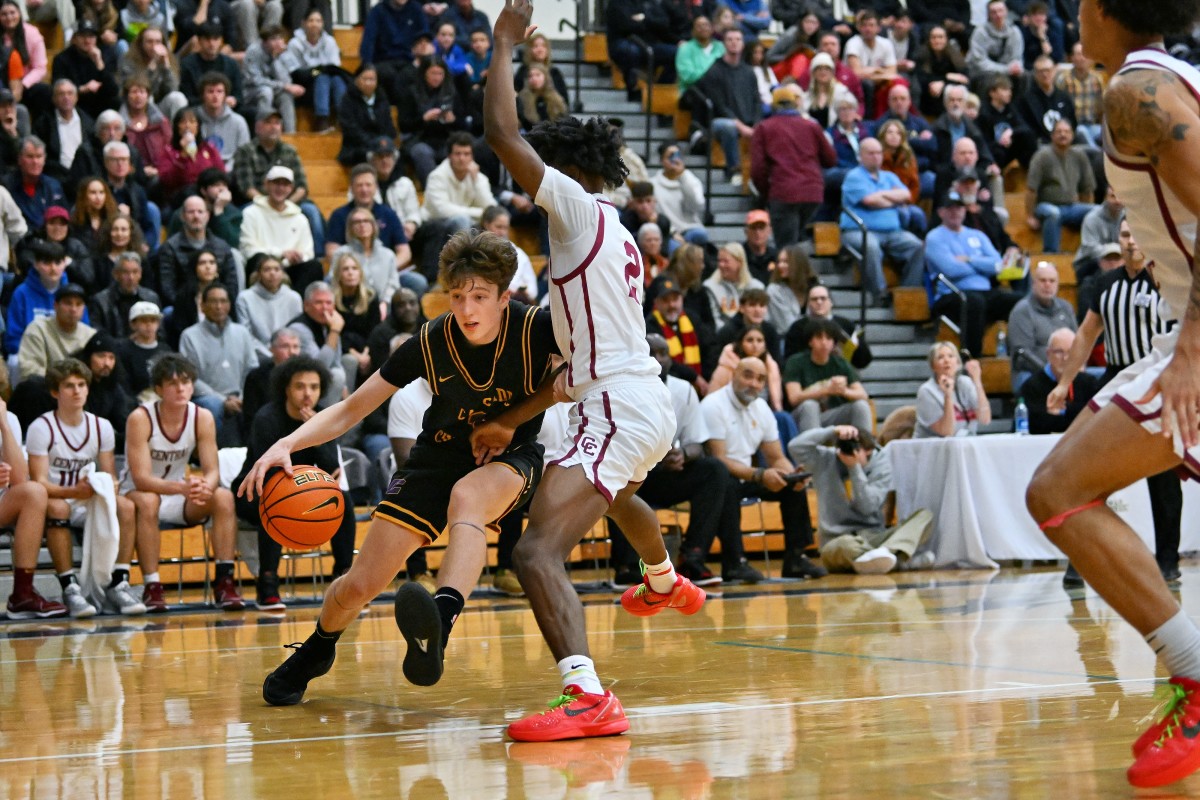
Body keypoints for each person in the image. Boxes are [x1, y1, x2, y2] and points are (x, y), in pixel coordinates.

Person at [469, 0, 706, 742]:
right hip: (626, 393)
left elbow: (499, 132)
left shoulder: (573, 206)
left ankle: (588, 698)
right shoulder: (617, 232)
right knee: (619, 491)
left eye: (542, 168)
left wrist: (504, 42)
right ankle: (667, 581)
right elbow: (577, 364)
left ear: (567, 171)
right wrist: (514, 416)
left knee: (537, 550)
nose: (529, 181)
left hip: (620, 403)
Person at [239, 229, 558, 693]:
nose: (467, 309)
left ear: (505, 296)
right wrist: (287, 442)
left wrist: (510, 421)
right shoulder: (429, 341)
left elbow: (578, 377)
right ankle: (319, 646)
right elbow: (351, 409)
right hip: (437, 456)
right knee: (358, 586)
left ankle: (440, 622)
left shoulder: (538, 328)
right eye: (457, 296)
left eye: (480, 297)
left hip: (511, 457)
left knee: (467, 498)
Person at [1045, 216, 1182, 591]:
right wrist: (1065, 382)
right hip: (1115, 376)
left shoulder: (1167, 280)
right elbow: (1086, 335)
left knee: (1164, 474)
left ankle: (1168, 561)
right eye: (1125, 235)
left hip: (1155, 378)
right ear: (1117, 241)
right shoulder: (1103, 284)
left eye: (1137, 234)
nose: (1131, 241)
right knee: (1088, 468)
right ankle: (1079, 561)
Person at [234, 355, 357, 611]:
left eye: (314, 387)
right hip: (253, 489)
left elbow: (331, 470)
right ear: (286, 389)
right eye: (300, 386)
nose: (307, 394)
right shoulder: (267, 418)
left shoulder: (321, 416)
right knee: (275, 504)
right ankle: (267, 584)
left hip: (297, 490)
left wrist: (315, 428)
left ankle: (344, 579)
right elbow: (268, 472)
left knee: (342, 499)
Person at [121, 354, 242, 611]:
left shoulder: (202, 417)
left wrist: (204, 485)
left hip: (176, 493)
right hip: (135, 492)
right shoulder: (140, 418)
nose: (181, 388)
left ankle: (225, 581)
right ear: (158, 389)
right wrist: (184, 487)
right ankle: (152, 586)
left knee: (222, 496)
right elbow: (142, 479)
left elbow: (212, 470)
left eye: (186, 382)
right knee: (149, 500)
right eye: (173, 383)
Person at [27, 358, 144, 617]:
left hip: (86, 496)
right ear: (55, 392)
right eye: (69, 386)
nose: (77, 391)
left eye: (81, 384)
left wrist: (108, 486)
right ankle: (70, 587)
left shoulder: (101, 426)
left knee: (125, 505)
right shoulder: (41, 427)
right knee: (57, 507)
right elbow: (39, 483)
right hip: (56, 497)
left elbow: (108, 474)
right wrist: (73, 492)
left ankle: (119, 582)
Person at [701, 356, 826, 579]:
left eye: (760, 379)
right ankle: (734, 562)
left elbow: (776, 456)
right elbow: (719, 459)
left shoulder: (761, 408)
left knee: (792, 487)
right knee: (726, 483)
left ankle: (796, 558)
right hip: (716, 481)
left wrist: (792, 475)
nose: (754, 384)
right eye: (747, 375)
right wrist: (760, 475)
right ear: (733, 375)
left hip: (749, 477)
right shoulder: (713, 405)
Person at [788, 424, 934, 573]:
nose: (849, 455)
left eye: (857, 451)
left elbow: (867, 507)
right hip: (838, 540)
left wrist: (854, 469)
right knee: (845, 545)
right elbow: (795, 446)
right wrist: (833, 430)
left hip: (874, 537)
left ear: (869, 451)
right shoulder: (826, 458)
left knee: (925, 517)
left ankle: (882, 556)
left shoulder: (881, 464)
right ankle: (896, 561)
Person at [925, 190, 1021, 359]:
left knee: (1019, 301)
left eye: (959, 208)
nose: (955, 212)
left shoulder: (977, 235)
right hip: (952, 294)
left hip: (984, 293)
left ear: (964, 210)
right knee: (974, 303)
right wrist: (981, 264)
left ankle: (1019, 353)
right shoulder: (934, 237)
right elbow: (951, 269)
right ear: (941, 212)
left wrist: (969, 259)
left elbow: (997, 265)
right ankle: (971, 359)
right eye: (950, 208)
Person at [840, 137, 925, 306]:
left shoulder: (890, 176)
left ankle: (906, 294)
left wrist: (881, 196)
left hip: (893, 232)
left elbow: (907, 195)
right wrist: (893, 198)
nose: (876, 157)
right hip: (858, 231)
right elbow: (870, 201)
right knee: (870, 246)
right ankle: (879, 294)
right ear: (860, 156)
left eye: (879, 153)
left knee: (918, 246)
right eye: (871, 153)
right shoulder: (854, 176)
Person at [2, 393, 66, 618]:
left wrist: (4, 426)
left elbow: (19, 479)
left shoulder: (9, 418)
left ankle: (22, 594)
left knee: (34, 492)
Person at [750, 87, 835, 248]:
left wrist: (767, 192)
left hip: (783, 192)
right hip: (812, 193)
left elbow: (757, 169)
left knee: (786, 248)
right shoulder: (812, 126)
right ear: (795, 105)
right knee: (796, 242)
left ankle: (794, 271)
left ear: (773, 106)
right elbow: (830, 159)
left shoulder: (764, 128)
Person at [179, 284, 258, 444]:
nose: (219, 306)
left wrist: (243, 397)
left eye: (223, 301)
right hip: (208, 398)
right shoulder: (189, 335)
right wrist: (223, 400)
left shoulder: (242, 332)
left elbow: (252, 370)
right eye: (213, 301)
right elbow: (190, 377)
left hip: (241, 396)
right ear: (202, 305)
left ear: (229, 305)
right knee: (213, 405)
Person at [239, 165, 323, 293]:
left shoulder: (300, 218)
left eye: (285, 185)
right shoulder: (251, 213)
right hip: (262, 267)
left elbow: (308, 253)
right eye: (276, 183)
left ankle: (297, 305)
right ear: (266, 185)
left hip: (290, 267)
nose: (280, 188)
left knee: (314, 266)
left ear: (291, 188)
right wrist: (281, 253)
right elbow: (248, 250)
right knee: (257, 259)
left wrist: (294, 258)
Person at [782, 317, 872, 432]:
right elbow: (794, 398)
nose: (824, 342)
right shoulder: (796, 362)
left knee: (861, 406)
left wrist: (843, 391)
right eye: (819, 338)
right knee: (810, 406)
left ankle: (865, 446)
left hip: (831, 416)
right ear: (810, 341)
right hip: (802, 416)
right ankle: (811, 448)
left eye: (828, 338)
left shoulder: (841, 363)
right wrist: (825, 390)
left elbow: (863, 394)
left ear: (834, 343)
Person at [1026, 118, 1097, 253]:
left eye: (1066, 131)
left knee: (1096, 211)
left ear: (1072, 135)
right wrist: (1030, 216)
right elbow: (1031, 189)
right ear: (1052, 136)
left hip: (1071, 207)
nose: (1063, 135)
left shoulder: (1079, 155)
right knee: (1053, 213)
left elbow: (1088, 189)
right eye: (1059, 132)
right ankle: (1051, 253)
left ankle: (1090, 251)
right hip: (1045, 206)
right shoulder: (1042, 156)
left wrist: (1086, 211)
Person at [1007, 261, 1079, 391]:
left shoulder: (1066, 308)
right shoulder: (1022, 311)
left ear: (1057, 285)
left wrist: (1078, 367)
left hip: (1067, 371)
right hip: (1033, 373)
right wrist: (1051, 373)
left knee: (1101, 378)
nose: (1047, 285)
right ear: (1033, 284)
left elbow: (1079, 344)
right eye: (1043, 280)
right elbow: (1022, 356)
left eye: (1052, 281)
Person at [1019, 327, 1100, 431]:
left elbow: (1093, 420)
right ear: (1048, 354)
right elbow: (1037, 424)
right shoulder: (1031, 386)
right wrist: (1072, 413)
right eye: (1059, 352)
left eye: (1071, 352)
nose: (1065, 358)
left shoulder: (1089, 383)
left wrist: (1062, 412)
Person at [283, 9, 347, 133]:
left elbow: (334, 67)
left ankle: (344, 117)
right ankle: (321, 120)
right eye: (311, 20)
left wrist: (319, 71)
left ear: (323, 24)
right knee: (322, 77)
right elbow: (296, 73)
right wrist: (319, 71)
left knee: (337, 79)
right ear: (303, 23)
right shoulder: (294, 43)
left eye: (318, 21)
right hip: (304, 85)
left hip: (327, 83)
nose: (315, 24)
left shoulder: (329, 41)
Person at [17, 283, 96, 383]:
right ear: (55, 306)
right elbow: (28, 370)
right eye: (68, 303)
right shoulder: (38, 329)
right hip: (46, 389)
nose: (73, 309)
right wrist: (64, 381)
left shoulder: (91, 335)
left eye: (78, 304)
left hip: (81, 391)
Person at [914, 341, 991, 437]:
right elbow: (947, 431)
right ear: (933, 366)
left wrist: (977, 381)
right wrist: (948, 395)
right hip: (933, 448)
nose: (947, 360)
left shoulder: (965, 383)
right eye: (940, 357)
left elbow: (985, 419)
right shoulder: (926, 391)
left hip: (964, 444)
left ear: (958, 363)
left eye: (951, 356)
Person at [155, 107, 226, 208]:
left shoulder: (208, 148)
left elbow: (221, 173)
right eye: (183, 122)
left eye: (192, 121)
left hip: (209, 196)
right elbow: (166, 180)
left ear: (198, 126)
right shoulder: (168, 151)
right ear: (177, 126)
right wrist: (183, 155)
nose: (187, 126)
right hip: (180, 199)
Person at [235, 253, 302, 355]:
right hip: (257, 353)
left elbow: (297, 331)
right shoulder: (245, 298)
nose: (272, 273)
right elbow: (246, 334)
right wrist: (268, 354)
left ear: (283, 273)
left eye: (276, 269)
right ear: (258, 274)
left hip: (289, 351)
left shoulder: (294, 298)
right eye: (267, 270)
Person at [116, 301, 171, 403]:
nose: (149, 325)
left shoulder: (166, 350)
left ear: (158, 324)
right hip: (137, 401)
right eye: (143, 321)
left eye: (153, 320)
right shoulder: (124, 351)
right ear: (133, 324)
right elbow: (124, 385)